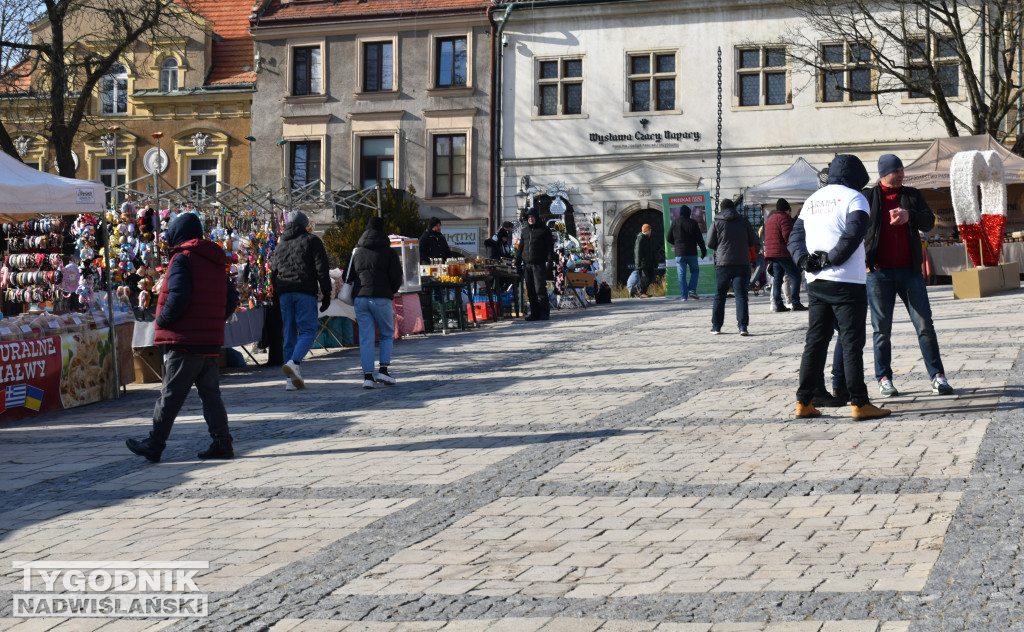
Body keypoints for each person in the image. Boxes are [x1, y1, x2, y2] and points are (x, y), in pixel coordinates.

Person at [126, 213, 240, 463]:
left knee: (171, 394)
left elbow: (178, 297)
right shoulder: (215, 260)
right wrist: (212, 321)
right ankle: (222, 442)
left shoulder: (182, 259)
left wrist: (163, 320)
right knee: (210, 394)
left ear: (177, 234)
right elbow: (231, 299)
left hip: (185, 339)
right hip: (209, 341)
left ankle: (155, 443)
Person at [788, 155, 890, 419]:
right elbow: (855, 234)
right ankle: (859, 402)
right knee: (851, 342)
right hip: (847, 281)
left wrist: (805, 260)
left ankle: (804, 401)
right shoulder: (855, 198)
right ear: (857, 175)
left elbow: (796, 236)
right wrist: (831, 259)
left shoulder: (812, 199)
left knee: (815, 342)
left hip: (816, 282)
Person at [863, 154, 954, 397]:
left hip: (910, 272)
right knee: (881, 330)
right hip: (879, 274)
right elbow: (857, 230)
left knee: (924, 324)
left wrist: (909, 216)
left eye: (902, 169)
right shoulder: (869, 196)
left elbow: (929, 223)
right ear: (884, 173)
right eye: (897, 170)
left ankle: (937, 376)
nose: (902, 174)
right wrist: (865, 262)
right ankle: (884, 378)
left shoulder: (912, 195)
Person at [270, 211, 331, 391]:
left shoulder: (280, 245)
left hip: (284, 294)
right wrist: (326, 294)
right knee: (308, 331)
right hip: (304, 291)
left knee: (289, 335)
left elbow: (274, 272)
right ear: (305, 225)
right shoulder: (312, 241)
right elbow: (322, 269)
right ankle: (294, 363)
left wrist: (276, 295)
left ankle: (291, 380)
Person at [349, 216, 403, 389]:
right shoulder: (388, 252)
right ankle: (383, 371)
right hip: (381, 297)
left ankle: (367, 377)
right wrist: (390, 290)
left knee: (366, 337)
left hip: (360, 298)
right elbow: (397, 277)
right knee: (387, 334)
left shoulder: (357, 252)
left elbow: (347, 277)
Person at [706, 199, 759, 335]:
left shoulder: (716, 222)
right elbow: (753, 241)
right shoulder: (744, 221)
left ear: (722, 209)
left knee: (719, 295)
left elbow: (710, 243)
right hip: (742, 263)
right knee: (741, 296)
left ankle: (716, 326)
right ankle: (743, 327)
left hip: (723, 264)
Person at [763, 198, 806, 312]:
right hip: (783, 253)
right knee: (796, 276)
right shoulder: (785, 218)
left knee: (778, 278)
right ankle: (795, 303)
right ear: (787, 210)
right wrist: (794, 251)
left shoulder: (770, 218)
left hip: (772, 253)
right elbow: (788, 237)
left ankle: (778, 304)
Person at [517, 207, 555, 321]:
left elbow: (549, 247)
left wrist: (550, 262)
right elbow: (521, 248)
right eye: (528, 217)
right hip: (527, 265)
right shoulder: (524, 231)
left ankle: (544, 312)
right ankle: (534, 313)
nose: (530, 219)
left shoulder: (544, 230)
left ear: (536, 218)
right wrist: (518, 262)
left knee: (540, 289)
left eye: (532, 217)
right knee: (530, 290)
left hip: (539, 264)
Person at [667, 205, 707, 300]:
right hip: (692, 252)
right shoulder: (693, 222)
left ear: (680, 213)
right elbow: (699, 238)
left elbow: (668, 238)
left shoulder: (674, 223)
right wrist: (703, 251)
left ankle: (684, 296)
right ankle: (692, 290)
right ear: (689, 213)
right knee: (695, 271)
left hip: (679, 253)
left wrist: (676, 243)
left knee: (681, 274)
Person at [633, 224, 657, 298]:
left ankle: (639, 289)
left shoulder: (647, 239)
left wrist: (654, 262)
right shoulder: (640, 239)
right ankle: (641, 291)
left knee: (651, 277)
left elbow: (651, 252)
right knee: (645, 278)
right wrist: (638, 263)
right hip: (643, 263)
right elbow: (637, 251)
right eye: (650, 230)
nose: (651, 232)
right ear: (646, 231)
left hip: (649, 262)